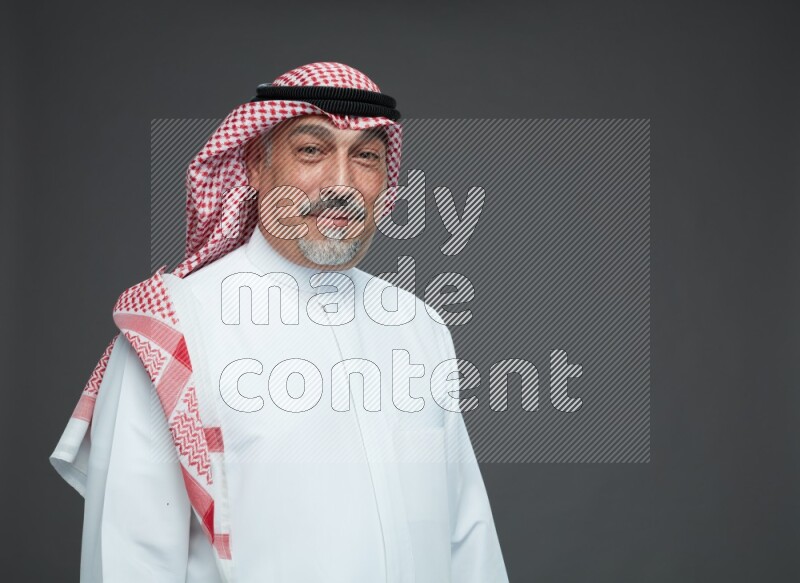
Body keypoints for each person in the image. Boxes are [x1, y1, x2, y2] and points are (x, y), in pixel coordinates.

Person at [49, 61, 509, 583]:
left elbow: (467, 539)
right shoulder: (175, 332)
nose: (342, 184)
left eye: (366, 157)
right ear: (255, 166)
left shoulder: (419, 326)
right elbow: (130, 560)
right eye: (311, 151)